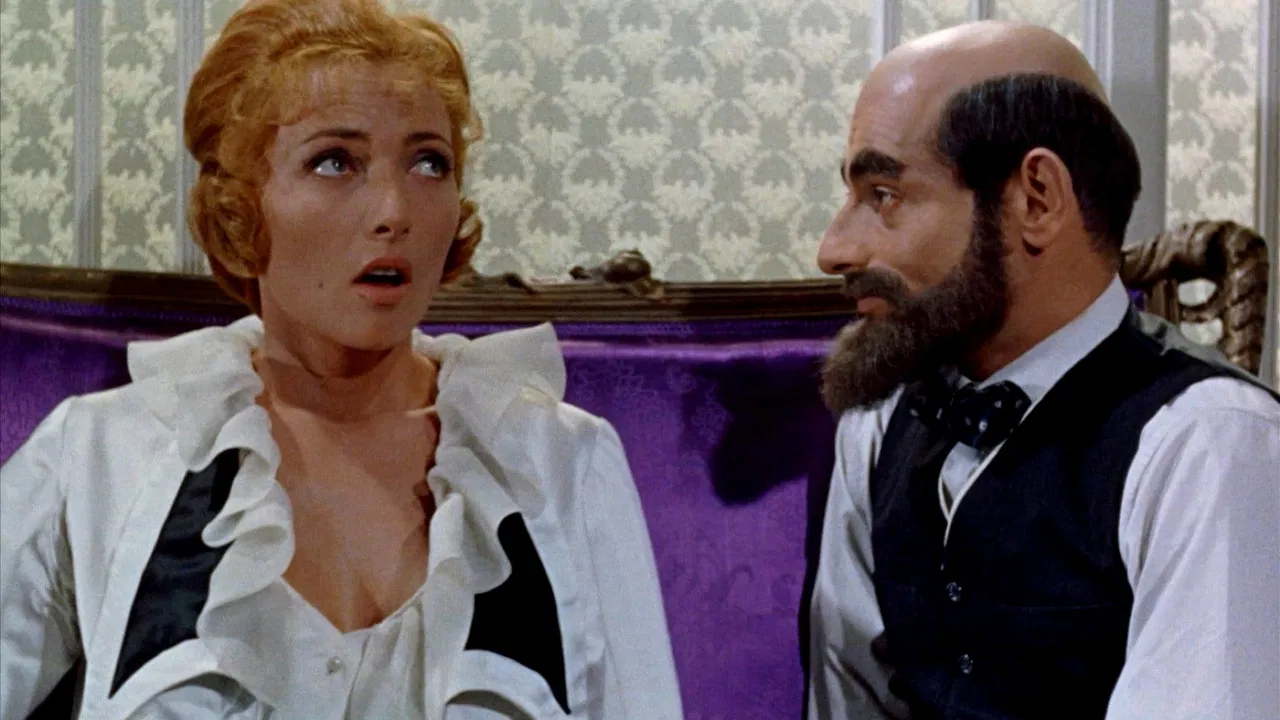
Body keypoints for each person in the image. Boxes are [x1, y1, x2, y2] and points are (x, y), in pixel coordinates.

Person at [0, 1, 683, 717]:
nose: (394, 211)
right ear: (240, 208)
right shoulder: (105, 454)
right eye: (334, 162)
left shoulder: (558, 462)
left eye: (429, 163)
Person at [802, 20, 1280, 720]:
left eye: (884, 195)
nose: (834, 248)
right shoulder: (878, 424)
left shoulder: (1207, 445)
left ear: (1036, 199)